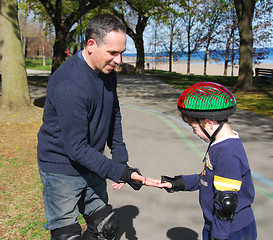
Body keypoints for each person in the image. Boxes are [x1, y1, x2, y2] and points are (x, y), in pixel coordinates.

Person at [37, 14, 145, 240]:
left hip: (91, 163)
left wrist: (120, 157)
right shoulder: (70, 83)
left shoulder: (107, 74)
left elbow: (113, 113)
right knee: (68, 236)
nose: (118, 60)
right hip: (61, 168)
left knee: (106, 225)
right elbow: (75, 148)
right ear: (91, 45)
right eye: (112, 53)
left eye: (121, 52)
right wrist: (122, 173)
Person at [145, 82, 257, 240]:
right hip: (218, 225)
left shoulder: (227, 153)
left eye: (194, 127)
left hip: (230, 231)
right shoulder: (219, 144)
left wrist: (218, 236)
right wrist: (177, 183)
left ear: (209, 123)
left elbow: (227, 203)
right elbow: (209, 179)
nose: (194, 132)